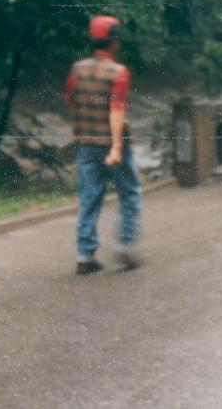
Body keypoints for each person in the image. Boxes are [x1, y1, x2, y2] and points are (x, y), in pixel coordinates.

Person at [63, 15, 141, 275]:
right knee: (129, 193)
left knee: (89, 198)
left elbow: (69, 100)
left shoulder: (77, 69)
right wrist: (117, 147)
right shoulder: (119, 72)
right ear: (115, 41)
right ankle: (124, 245)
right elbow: (117, 110)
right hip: (112, 144)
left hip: (86, 142)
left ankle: (85, 256)